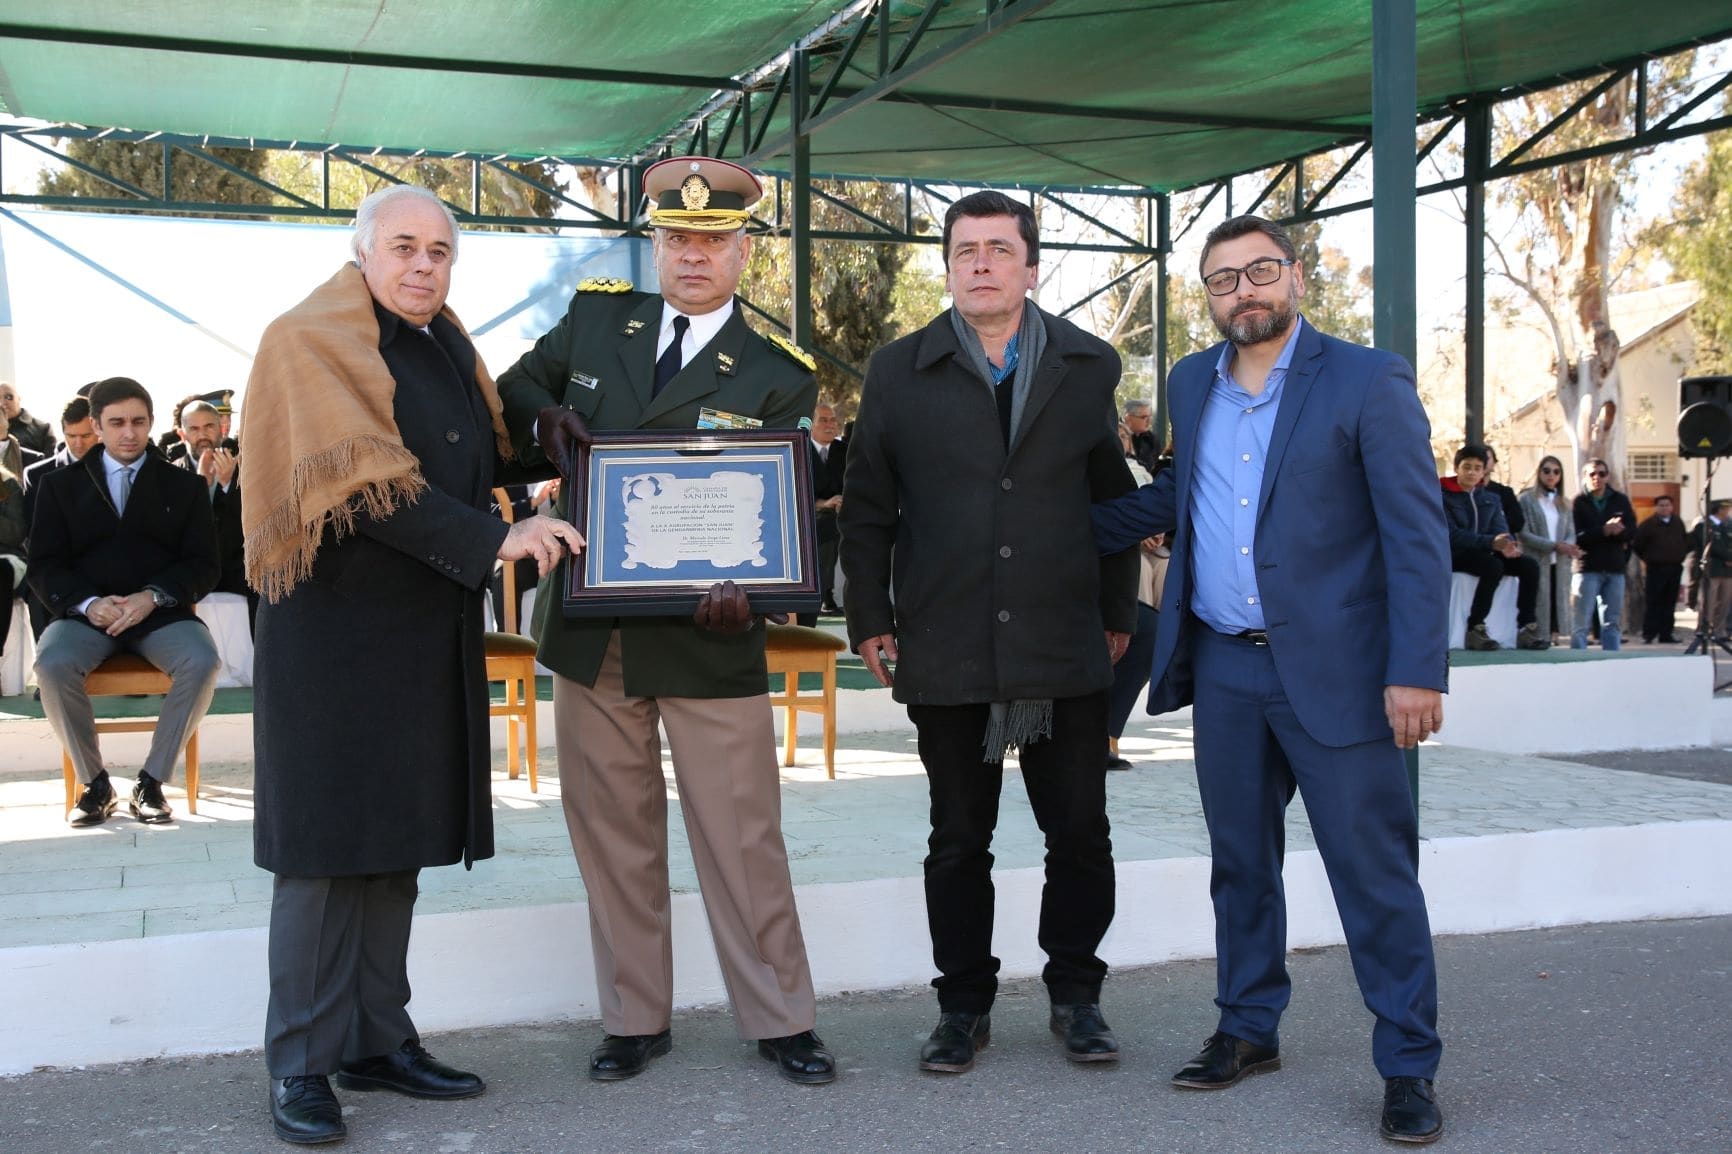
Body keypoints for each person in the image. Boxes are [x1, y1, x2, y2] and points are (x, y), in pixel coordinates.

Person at [1092, 215, 1448, 1144]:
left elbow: (1415, 536)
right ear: (1205, 297)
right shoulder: (1190, 382)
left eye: (1259, 272)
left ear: (1295, 274)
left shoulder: (1369, 380)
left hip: (1341, 675)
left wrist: (1416, 670)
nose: (1242, 291)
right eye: (1221, 281)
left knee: (1373, 877)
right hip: (1225, 670)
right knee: (1241, 866)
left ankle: (1408, 1064)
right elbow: (1183, 497)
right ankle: (1248, 1029)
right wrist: (1053, 524)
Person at [240, 184, 583, 1146]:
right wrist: (498, 542)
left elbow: (460, 463)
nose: (424, 265)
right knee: (322, 857)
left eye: (440, 250)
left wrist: (551, 450)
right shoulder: (309, 338)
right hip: (333, 639)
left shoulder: (443, 344)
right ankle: (300, 1064)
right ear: (363, 253)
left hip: (419, 630)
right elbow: (371, 487)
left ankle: (376, 1041)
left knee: (393, 847)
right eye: (405, 247)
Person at [494, 156, 834, 1087]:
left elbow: (776, 517)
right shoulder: (600, 319)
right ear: (655, 244)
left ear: (743, 252)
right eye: (678, 238)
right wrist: (549, 422)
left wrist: (757, 599)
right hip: (593, 632)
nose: (694, 254)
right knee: (613, 834)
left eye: (713, 240)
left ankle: (780, 1017)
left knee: (743, 836)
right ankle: (634, 1016)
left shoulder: (774, 373)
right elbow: (512, 389)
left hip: (707, 635)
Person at [841, 190, 1139, 1074]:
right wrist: (870, 618)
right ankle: (961, 1004)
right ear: (948, 267)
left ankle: (1077, 997)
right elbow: (866, 512)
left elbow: (1111, 503)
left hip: (1064, 643)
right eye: (965, 250)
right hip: (949, 644)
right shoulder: (899, 370)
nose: (980, 263)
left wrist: (1118, 612)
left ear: (1030, 266)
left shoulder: (1088, 365)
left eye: (998, 250)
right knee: (957, 840)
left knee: (1080, 832)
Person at [27, 376, 221, 827]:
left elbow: (203, 564)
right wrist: (89, 602)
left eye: (138, 421)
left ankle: (151, 782)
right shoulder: (58, 486)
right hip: (84, 617)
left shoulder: (184, 486)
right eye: (116, 422)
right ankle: (95, 785)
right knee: (51, 664)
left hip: (160, 616)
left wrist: (152, 597)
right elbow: (44, 565)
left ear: (151, 422)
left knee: (203, 660)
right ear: (97, 424)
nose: (129, 432)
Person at [1442, 444, 1544, 650]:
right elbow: (1451, 535)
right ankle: (1475, 628)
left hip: (1485, 552)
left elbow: (1501, 529)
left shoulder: (1491, 498)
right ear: (1456, 467)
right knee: (1493, 566)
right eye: (1466, 467)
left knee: (1529, 566)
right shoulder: (1441, 495)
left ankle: (1526, 627)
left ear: (1484, 471)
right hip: (1456, 554)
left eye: (1477, 468)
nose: (1472, 472)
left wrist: (1507, 545)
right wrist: (1490, 543)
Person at [1107, 427, 1167, 770]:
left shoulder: (1137, 469)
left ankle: (1107, 732)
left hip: (1134, 548)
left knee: (1151, 626)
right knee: (1137, 573)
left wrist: (1154, 529)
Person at [21, 397, 102, 638]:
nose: (77, 443)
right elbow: (32, 534)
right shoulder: (38, 474)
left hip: (107, 568)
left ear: (98, 430)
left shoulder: (117, 467)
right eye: (70, 435)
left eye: (85, 436)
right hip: (58, 568)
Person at [175, 398, 256, 631]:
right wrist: (201, 487)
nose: (202, 435)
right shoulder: (173, 472)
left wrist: (228, 484)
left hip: (237, 577)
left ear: (220, 428)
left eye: (208, 426)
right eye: (194, 428)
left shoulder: (246, 469)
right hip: (192, 578)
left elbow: (249, 525)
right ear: (183, 434)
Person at [1571, 459, 1636, 650]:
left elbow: (1632, 531)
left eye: (1601, 473)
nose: (1597, 477)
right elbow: (1575, 535)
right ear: (1585, 476)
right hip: (1587, 568)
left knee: (1612, 622)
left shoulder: (1620, 500)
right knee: (1580, 623)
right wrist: (1603, 530)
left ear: (1607, 476)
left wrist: (1620, 531)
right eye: (1592, 474)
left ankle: (1611, 661)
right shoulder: (1578, 502)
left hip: (1615, 568)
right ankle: (1576, 662)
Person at [1517, 455, 1580, 644]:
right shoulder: (1526, 499)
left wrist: (1567, 545)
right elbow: (1523, 533)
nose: (1551, 475)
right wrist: (1552, 545)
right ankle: (1534, 636)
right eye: (1546, 470)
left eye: (1556, 471)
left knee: (1557, 601)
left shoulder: (1565, 502)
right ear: (1539, 473)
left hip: (1559, 562)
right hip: (1536, 559)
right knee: (1538, 601)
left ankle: (1553, 637)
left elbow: (1571, 530)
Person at [1632, 495, 1689, 644]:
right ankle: (1649, 633)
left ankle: (1666, 633)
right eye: (1661, 505)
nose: (1664, 508)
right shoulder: (1649, 524)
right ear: (1656, 507)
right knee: (1654, 602)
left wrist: (1680, 554)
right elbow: (1637, 544)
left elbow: (1684, 540)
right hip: (1656, 568)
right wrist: (1649, 558)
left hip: (1674, 567)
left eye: (1667, 505)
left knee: (1669, 603)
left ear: (1672, 507)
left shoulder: (1677, 522)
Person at [809, 401, 847, 616]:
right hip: (810, 514)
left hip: (843, 512)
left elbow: (858, 482)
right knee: (825, 526)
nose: (830, 425)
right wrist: (823, 503)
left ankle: (827, 595)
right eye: (823, 420)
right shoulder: (801, 448)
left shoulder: (846, 451)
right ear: (811, 424)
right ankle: (824, 595)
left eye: (833, 420)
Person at [1692, 500, 1732, 641]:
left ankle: (1719, 631)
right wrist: (1728, 556)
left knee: (1725, 601)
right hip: (1712, 569)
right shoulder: (1704, 525)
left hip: (1727, 571)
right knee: (1709, 600)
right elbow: (1708, 546)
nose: (1728, 511)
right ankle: (1704, 629)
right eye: (1726, 508)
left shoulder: (1727, 525)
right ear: (1719, 510)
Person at [1, 381, 55, 455]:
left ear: (19, 398)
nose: (3, 402)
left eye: (8, 397)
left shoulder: (42, 428)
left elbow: (51, 462)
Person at [1124, 397, 1161, 474]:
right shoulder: (1118, 436)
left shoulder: (1152, 439)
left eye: (1149, 417)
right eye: (1144, 417)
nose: (1149, 421)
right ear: (1128, 418)